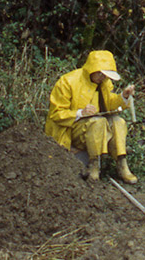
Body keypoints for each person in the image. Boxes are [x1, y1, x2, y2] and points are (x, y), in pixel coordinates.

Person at [45, 50, 138, 183]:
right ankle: (94, 166)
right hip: (72, 131)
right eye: (101, 74)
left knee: (118, 121)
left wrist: (124, 96)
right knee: (97, 122)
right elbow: (56, 113)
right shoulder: (68, 82)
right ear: (93, 70)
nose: (104, 78)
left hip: (96, 129)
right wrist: (80, 113)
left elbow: (109, 103)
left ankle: (122, 164)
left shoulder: (104, 83)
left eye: (106, 76)